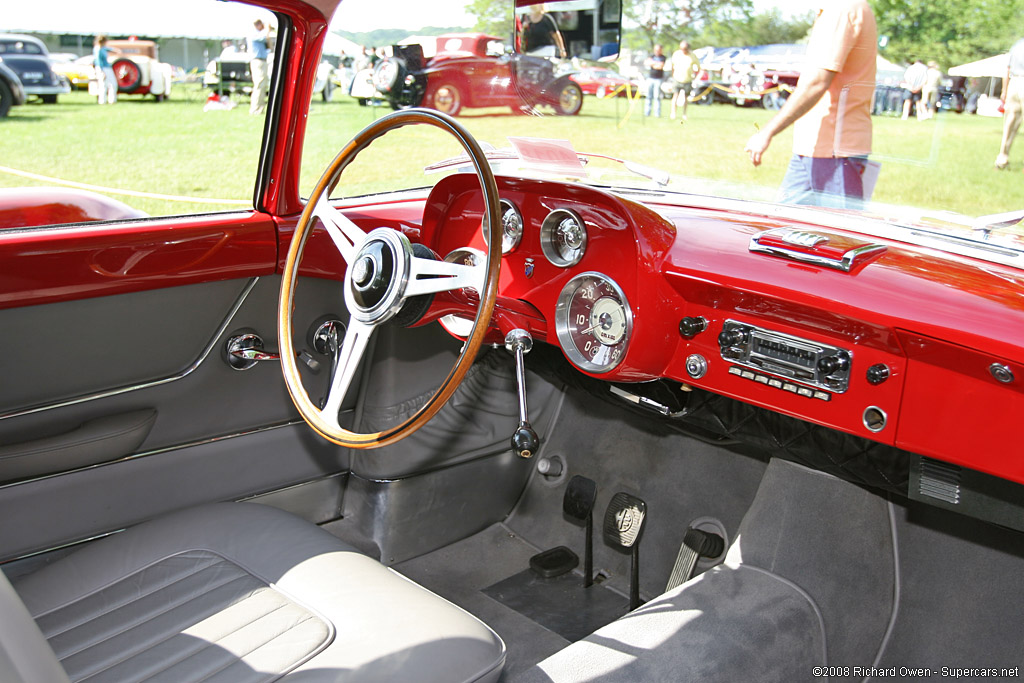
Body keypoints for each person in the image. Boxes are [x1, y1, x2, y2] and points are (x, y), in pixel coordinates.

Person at [744, 0, 877, 209]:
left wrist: (766, 132)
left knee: (839, 236)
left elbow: (817, 83)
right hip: (817, 147)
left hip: (834, 149)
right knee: (783, 228)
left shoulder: (842, 9)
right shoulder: (837, 9)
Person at [995, 37, 1024, 170]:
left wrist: (1004, 90)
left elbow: (1006, 69)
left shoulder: (1016, 45)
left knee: (1009, 123)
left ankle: (1002, 157)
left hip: (1014, 83)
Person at [670, 41, 700, 121]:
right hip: (677, 79)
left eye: (685, 49)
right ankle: (673, 113)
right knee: (675, 96)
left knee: (685, 98)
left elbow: (698, 67)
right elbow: (672, 66)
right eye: (682, 48)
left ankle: (684, 114)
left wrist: (695, 77)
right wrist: (673, 75)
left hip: (687, 79)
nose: (683, 50)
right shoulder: (676, 54)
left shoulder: (692, 56)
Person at [248, 19, 270, 116]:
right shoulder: (254, 34)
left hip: (262, 61)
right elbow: (265, 36)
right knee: (259, 84)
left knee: (262, 85)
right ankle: (255, 109)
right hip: (257, 61)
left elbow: (269, 43)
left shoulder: (259, 34)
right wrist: (267, 29)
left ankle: (260, 108)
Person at [92, 35, 118, 105]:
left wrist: (114, 50)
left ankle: (111, 100)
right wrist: (101, 71)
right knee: (103, 85)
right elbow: (98, 60)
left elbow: (107, 49)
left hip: (107, 67)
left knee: (112, 84)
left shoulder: (103, 48)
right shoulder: (98, 49)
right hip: (102, 68)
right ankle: (102, 101)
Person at [644, 44, 667, 117]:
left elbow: (660, 66)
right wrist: (655, 64)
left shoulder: (663, 57)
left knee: (657, 96)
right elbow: (647, 63)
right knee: (648, 96)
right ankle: (647, 113)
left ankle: (657, 114)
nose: (656, 51)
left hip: (658, 79)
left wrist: (653, 63)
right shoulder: (651, 56)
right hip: (650, 78)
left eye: (658, 50)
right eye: (655, 50)